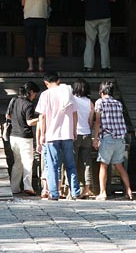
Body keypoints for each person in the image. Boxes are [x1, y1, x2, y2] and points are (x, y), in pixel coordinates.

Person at [35, 71, 81, 200]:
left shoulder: (45, 94)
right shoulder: (68, 92)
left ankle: (54, 193)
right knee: (70, 164)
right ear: (58, 80)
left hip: (52, 134)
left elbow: (42, 116)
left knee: (53, 165)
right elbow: (75, 113)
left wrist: (42, 135)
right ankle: (75, 192)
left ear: (46, 83)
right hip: (67, 133)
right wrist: (74, 130)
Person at [92, 80, 133, 201]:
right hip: (120, 139)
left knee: (103, 166)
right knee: (119, 166)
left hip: (108, 137)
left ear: (101, 91)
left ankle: (103, 192)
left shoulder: (100, 102)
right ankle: (129, 190)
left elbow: (98, 121)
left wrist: (95, 138)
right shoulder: (118, 103)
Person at [6, 81, 40, 196]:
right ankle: (28, 186)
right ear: (30, 92)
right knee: (28, 162)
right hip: (25, 137)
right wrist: (41, 119)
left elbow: (8, 116)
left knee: (17, 162)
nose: (34, 96)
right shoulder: (29, 105)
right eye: (34, 93)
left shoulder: (14, 100)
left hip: (13, 136)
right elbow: (30, 122)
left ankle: (14, 187)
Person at [80, 0, 116, 72]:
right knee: (104, 41)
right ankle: (105, 66)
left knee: (90, 41)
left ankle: (88, 66)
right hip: (105, 14)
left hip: (90, 15)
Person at [22, 0, 51, 72]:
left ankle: (30, 66)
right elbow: (49, 4)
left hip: (29, 18)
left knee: (29, 42)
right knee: (40, 42)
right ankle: (40, 66)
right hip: (41, 19)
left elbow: (23, 3)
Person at [72, 78, 96, 199]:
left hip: (75, 134)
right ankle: (87, 189)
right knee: (87, 163)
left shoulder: (72, 100)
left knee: (72, 163)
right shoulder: (90, 103)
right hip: (87, 134)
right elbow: (90, 122)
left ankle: (71, 189)